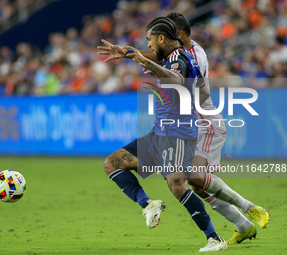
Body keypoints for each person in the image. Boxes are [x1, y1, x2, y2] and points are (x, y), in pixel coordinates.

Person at [97, 13, 270, 245]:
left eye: (151, 38)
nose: (148, 44)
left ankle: (244, 214)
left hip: (202, 123)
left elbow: (182, 79)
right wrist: (131, 54)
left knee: (190, 179)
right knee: (187, 182)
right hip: (171, 129)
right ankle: (242, 224)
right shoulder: (175, 55)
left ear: (169, 36)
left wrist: (143, 60)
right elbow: (167, 64)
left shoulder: (189, 55)